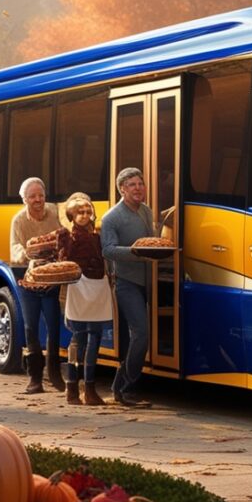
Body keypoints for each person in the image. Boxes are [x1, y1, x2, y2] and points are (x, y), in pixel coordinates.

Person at [100, 167, 153, 407]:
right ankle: (127, 386)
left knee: (141, 335)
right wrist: (135, 252)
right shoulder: (112, 217)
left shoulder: (146, 211)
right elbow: (108, 250)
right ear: (122, 189)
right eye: (132, 185)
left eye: (140, 184)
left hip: (148, 282)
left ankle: (119, 387)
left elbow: (152, 243)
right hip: (125, 282)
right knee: (141, 332)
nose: (138, 188)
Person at [56, 192, 112, 406]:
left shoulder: (97, 238)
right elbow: (63, 262)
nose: (85, 215)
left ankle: (90, 387)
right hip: (77, 291)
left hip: (97, 289)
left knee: (95, 338)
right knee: (78, 338)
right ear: (71, 215)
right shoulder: (67, 237)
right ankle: (72, 386)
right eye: (80, 212)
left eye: (88, 212)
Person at [10, 177, 63, 393]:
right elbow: (14, 248)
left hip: (51, 278)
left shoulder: (55, 213)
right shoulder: (19, 220)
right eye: (32, 197)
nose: (38, 200)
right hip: (28, 279)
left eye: (40, 195)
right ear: (24, 199)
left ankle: (55, 373)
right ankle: (34, 378)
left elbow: (64, 237)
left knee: (53, 324)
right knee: (30, 326)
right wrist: (29, 254)